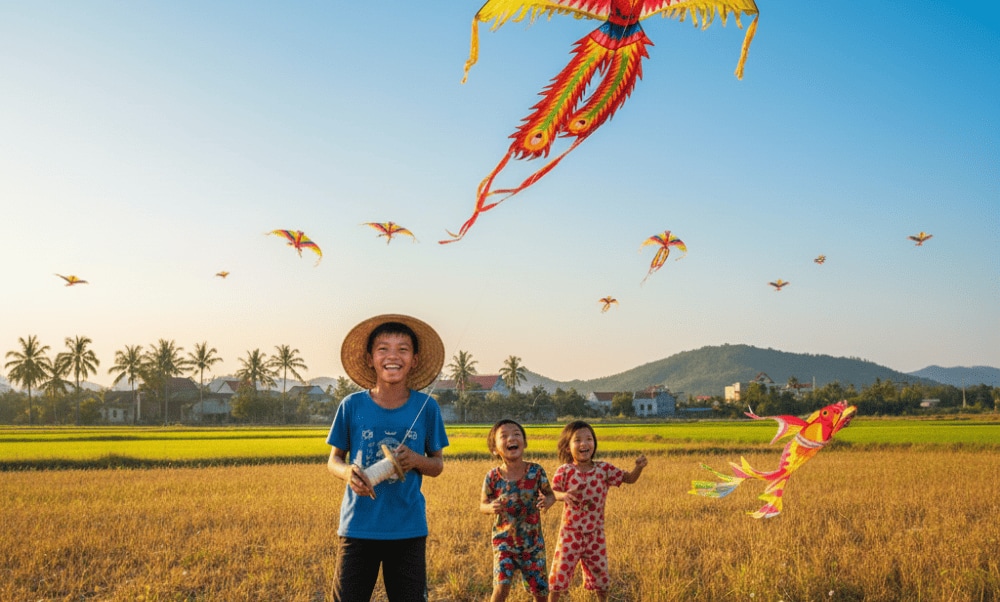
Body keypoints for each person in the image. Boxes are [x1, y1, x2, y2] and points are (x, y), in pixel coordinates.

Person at [326, 314, 449, 602]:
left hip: (408, 529)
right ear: (370, 359)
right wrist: (348, 473)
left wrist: (415, 461)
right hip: (358, 527)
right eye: (383, 348)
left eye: (402, 349)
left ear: (414, 360)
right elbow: (334, 460)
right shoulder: (351, 405)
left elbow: (437, 465)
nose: (392, 356)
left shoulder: (427, 407)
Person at [547, 421, 647, 602]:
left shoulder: (604, 469)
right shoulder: (565, 471)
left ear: (594, 443)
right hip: (570, 534)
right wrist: (562, 496)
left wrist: (638, 467)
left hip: (595, 534)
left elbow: (629, 478)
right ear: (568, 447)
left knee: (601, 579)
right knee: (559, 576)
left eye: (589, 439)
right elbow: (551, 492)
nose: (584, 444)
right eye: (577, 440)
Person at [479, 419, 555, 602]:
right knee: (501, 587)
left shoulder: (536, 472)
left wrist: (548, 501)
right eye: (503, 436)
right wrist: (490, 508)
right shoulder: (492, 477)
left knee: (541, 591)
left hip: (533, 544)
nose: (511, 438)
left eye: (516, 434)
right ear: (495, 449)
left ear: (524, 442)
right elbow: (482, 504)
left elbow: (550, 495)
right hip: (504, 543)